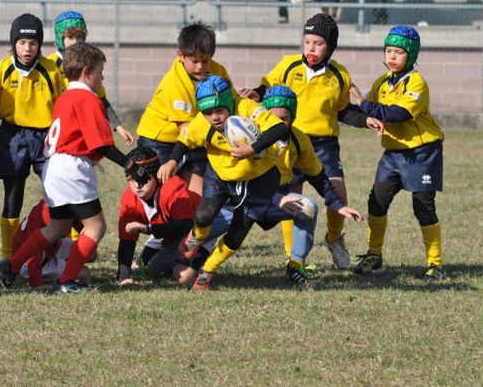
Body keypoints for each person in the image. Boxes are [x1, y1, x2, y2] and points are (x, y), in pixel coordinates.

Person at [0, 42, 150, 293]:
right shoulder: (87, 98)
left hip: (54, 167)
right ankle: (68, 282)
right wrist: (131, 165)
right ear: (87, 71)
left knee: (59, 227)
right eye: (100, 71)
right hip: (72, 169)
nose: (102, 77)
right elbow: (101, 145)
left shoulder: (65, 96)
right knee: (96, 227)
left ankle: (10, 266)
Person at [240, 14, 382, 270]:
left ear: (330, 47)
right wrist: (255, 93)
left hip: (324, 145)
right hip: (290, 141)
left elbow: (342, 111)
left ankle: (334, 239)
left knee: (338, 194)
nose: (311, 48)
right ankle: (292, 255)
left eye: (318, 43)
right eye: (307, 42)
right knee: (292, 198)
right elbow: (267, 89)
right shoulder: (288, 66)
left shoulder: (339, 76)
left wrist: (366, 120)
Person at [159, 75, 298, 290]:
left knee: (237, 233)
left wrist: (252, 148)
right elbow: (184, 141)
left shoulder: (246, 107)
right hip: (221, 175)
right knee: (204, 215)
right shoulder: (201, 123)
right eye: (208, 113)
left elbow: (279, 128)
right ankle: (196, 238)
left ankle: (209, 269)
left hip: (258, 180)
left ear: (230, 104)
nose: (214, 118)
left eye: (219, 111)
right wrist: (171, 161)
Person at [349, 26, 446, 280]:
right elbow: (371, 111)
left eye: (399, 52)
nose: (392, 56)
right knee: (376, 201)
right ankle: (374, 255)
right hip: (392, 154)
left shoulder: (416, 82)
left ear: (411, 55)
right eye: (388, 50)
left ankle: (435, 264)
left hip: (422, 152)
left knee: (423, 206)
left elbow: (397, 114)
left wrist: (364, 104)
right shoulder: (381, 82)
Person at [0, 13, 65, 259]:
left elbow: (66, 106)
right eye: (22, 43)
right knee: (13, 197)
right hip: (12, 137)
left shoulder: (51, 69)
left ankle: (67, 247)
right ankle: (8, 256)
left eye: (33, 43)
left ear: (39, 45)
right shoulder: (2, 69)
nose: (27, 48)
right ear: (13, 43)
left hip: (46, 137)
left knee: (59, 192)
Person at [261, 85, 364, 280]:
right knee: (210, 219)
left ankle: (294, 265)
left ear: (292, 116)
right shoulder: (252, 136)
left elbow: (318, 176)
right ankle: (203, 263)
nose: (277, 125)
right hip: (245, 199)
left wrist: (338, 205)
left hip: (272, 199)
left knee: (305, 207)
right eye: (272, 118)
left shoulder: (298, 140)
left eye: (283, 119)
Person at [136, 21, 234, 199]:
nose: (200, 67)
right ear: (180, 55)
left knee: (198, 197)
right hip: (159, 142)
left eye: (205, 61)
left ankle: (190, 225)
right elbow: (186, 127)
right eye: (195, 61)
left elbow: (231, 100)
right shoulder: (173, 82)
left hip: (194, 139)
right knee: (163, 195)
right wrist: (226, 143)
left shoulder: (217, 71)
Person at [50, 10, 134, 146]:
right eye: (71, 37)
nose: (76, 42)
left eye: (80, 37)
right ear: (60, 38)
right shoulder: (50, 66)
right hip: (57, 131)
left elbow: (101, 99)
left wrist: (119, 127)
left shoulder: (88, 63)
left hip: (80, 129)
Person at [116, 146, 198, 286]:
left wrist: (148, 229)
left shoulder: (173, 187)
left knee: (182, 276)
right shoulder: (129, 198)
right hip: (164, 232)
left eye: (142, 178)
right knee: (139, 270)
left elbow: (186, 225)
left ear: (155, 175)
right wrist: (124, 276)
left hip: (197, 230)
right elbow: (126, 241)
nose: (137, 185)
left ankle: (201, 262)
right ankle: (172, 262)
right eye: (131, 179)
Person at [13, 198, 93, 287]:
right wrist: (36, 283)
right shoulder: (47, 211)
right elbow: (32, 255)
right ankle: (59, 275)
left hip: (53, 246)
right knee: (85, 275)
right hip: (30, 262)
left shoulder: (65, 199)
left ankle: (62, 267)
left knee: (91, 254)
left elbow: (79, 224)